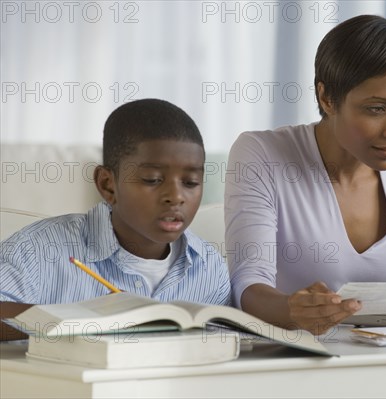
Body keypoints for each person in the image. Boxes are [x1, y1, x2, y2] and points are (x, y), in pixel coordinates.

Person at [224, 15, 386, 335]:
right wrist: (293, 311)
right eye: (376, 108)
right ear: (327, 98)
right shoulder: (262, 154)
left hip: (378, 363)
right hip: (290, 361)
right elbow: (248, 287)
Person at [0, 99, 231, 340]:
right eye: (152, 180)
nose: (176, 197)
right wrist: (87, 317)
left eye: (191, 182)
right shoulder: (40, 249)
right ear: (107, 185)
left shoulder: (210, 269)